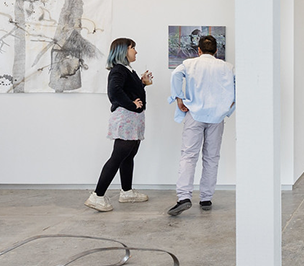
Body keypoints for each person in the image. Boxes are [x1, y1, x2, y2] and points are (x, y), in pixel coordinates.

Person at [168, 35, 236, 216]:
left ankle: (184, 197)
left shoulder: (189, 64)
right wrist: (229, 107)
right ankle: (206, 198)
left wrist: (178, 98)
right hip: (217, 117)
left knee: (189, 156)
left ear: (198, 50)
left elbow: (175, 75)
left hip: (194, 114)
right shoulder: (227, 67)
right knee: (212, 157)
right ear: (216, 51)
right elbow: (239, 85)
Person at [88, 38, 153, 212]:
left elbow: (128, 90)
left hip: (133, 118)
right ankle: (97, 196)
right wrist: (132, 105)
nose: (136, 52)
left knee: (128, 156)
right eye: (133, 48)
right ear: (124, 50)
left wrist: (142, 83)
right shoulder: (118, 70)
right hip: (126, 118)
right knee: (118, 157)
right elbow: (114, 91)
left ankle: (126, 192)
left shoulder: (127, 70)